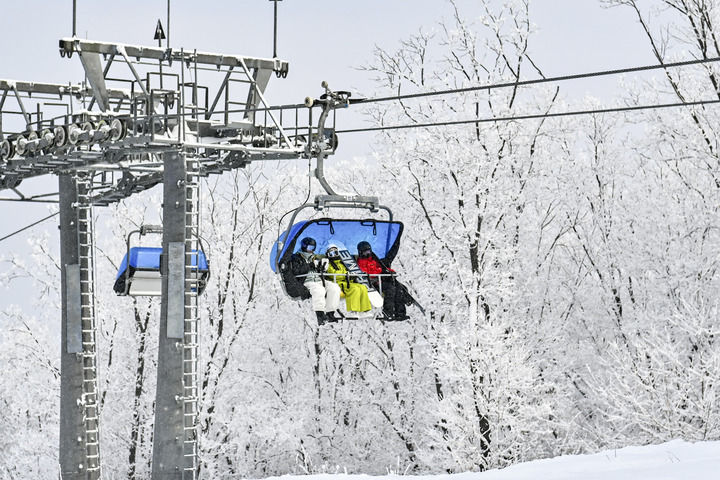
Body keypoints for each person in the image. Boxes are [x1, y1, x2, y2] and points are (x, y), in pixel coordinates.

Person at [284, 236, 341, 325]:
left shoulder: (315, 257)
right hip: (307, 280)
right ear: (304, 246)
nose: (311, 250)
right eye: (310, 247)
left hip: (318, 279)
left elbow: (319, 269)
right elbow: (296, 270)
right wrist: (309, 265)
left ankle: (330, 313)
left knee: (334, 288)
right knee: (319, 290)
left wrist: (323, 267)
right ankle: (320, 315)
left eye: (313, 248)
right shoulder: (296, 257)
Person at [356, 241, 413, 321]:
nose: (367, 254)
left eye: (368, 252)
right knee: (390, 289)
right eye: (365, 253)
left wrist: (390, 271)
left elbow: (383, 267)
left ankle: (400, 313)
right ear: (360, 253)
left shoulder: (374, 259)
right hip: (373, 283)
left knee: (399, 288)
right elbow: (367, 272)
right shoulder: (361, 262)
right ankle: (388, 312)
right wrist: (380, 271)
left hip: (380, 280)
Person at [325, 244, 373, 315]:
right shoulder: (328, 263)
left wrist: (353, 274)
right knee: (354, 289)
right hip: (338, 283)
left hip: (347, 281)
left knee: (362, 287)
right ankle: (353, 311)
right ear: (328, 254)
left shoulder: (342, 262)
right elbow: (334, 274)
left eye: (336, 253)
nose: (334, 255)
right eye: (331, 253)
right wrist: (347, 274)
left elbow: (349, 269)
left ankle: (365, 310)